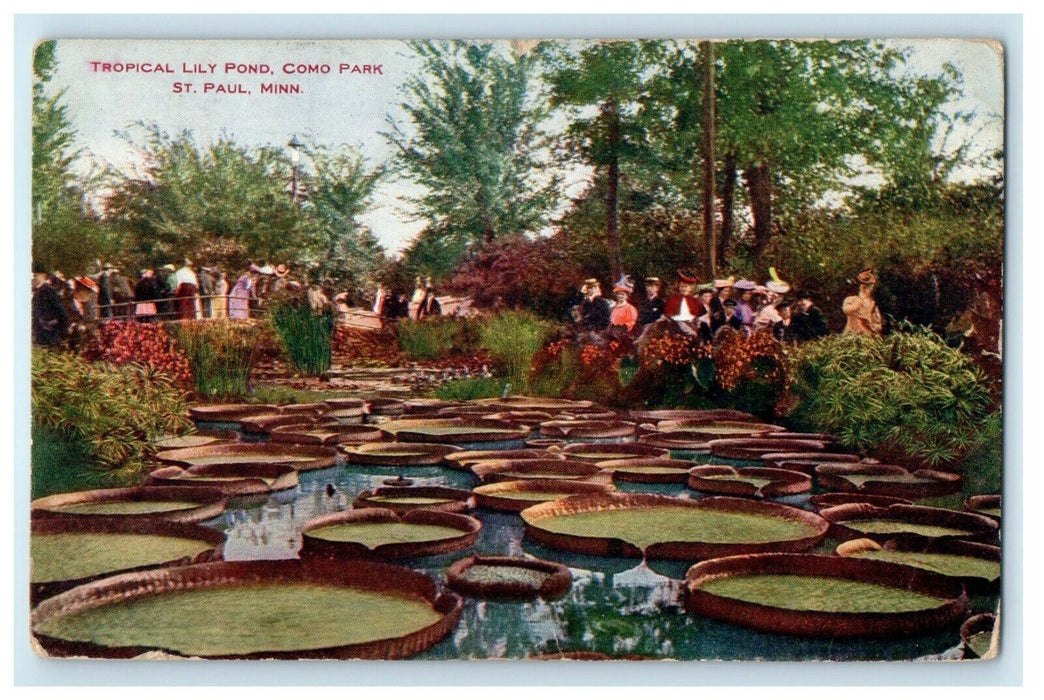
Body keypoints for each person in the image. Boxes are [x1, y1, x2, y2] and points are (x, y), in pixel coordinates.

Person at [31, 270, 68, 347]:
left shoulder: (42, 291)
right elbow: (60, 310)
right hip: (46, 328)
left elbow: (35, 310)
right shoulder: (48, 291)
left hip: (43, 328)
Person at [843, 268, 884, 336]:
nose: (869, 289)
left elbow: (878, 323)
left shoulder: (872, 303)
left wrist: (875, 326)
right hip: (853, 335)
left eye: (871, 286)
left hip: (868, 336)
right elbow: (847, 310)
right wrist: (858, 303)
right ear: (860, 286)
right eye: (866, 286)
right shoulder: (851, 300)